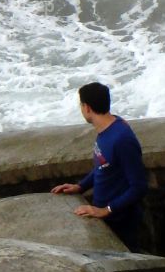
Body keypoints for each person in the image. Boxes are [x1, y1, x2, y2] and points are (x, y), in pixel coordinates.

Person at [51, 82, 148, 250]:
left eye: (81, 105)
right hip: (106, 218)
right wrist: (80, 186)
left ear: (87, 108)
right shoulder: (107, 128)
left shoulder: (121, 139)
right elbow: (102, 165)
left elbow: (139, 186)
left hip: (121, 223)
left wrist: (106, 210)